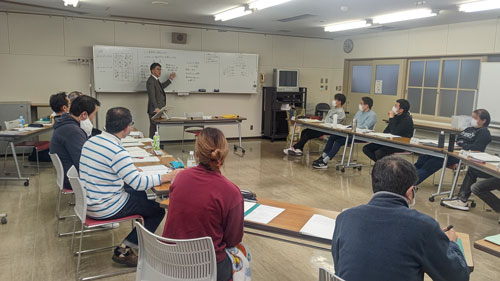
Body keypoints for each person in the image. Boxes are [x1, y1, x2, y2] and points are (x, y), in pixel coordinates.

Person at [332, 156, 470, 281]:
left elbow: (340, 266)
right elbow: (458, 278)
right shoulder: (423, 226)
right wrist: (451, 244)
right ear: (410, 192)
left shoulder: (345, 217)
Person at [79, 107, 180, 267]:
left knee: (144, 197)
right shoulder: (117, 151)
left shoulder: (92, 140)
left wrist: (129, 171)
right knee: (157, 210)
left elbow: (108, 170)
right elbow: (138, 183)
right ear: (127, 127)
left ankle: (136, 239)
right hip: (105, 206)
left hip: (88, 202)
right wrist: (167, 176)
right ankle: (125, 250)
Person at [163, 127, 244, 281]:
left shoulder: (180, 178)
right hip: (207, 267)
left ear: (197, 153)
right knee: (243, 256)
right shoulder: (231, 192)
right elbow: (233, 239)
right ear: (224, 154)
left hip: (171, 261)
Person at [415, 109, 491, 186]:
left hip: (462, 156)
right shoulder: (469, 129)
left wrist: (463, 145)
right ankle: (408, 177)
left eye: (475, 118)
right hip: (452, 151)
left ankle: (411, 184)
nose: (472, 120)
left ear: (483, 120)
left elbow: (477, 148)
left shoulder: (484, 132)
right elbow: (458, 140)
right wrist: (463, 144)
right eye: (472, 117)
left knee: (432, 162)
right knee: (424, 157)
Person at [49, 95, 100, 189]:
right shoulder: (73, 131)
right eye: (94, 114)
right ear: (84, 114)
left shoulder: (67, 124)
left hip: (70, 174)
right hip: (73, 179)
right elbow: (83, 162)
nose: (93, 118)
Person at [312, 97, 376, 169]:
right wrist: (348, 127)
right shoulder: (359, 112)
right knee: (333, 137)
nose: (360, 105)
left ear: (367, 105)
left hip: (362, 136)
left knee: (339, 141)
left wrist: (353, 127)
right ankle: (323, 156)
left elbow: (364, 127)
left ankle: (325, 161)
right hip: (351, 133)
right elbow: (353, 122)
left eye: (361, 103)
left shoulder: (372, 115)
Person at [147, 62, 176, 138]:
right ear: (152, 71)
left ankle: (155, 144)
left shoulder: (156, 80)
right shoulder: (151, 81)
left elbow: (161, 87)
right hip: (154, 109)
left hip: (158, 108)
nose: (160, 71)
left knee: (156, 128)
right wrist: (156, 107)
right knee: (154, 128)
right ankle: (152, 144)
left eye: (160, 69)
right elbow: (152, 96)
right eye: (157, 69)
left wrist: (170, 79)